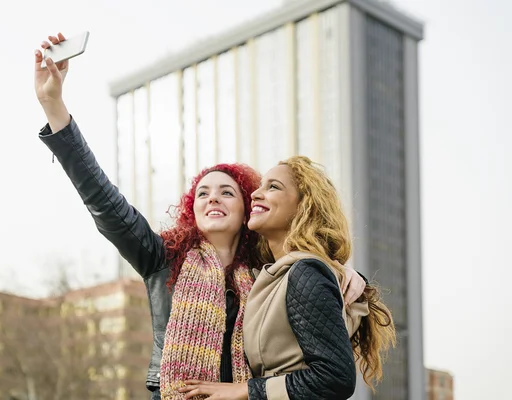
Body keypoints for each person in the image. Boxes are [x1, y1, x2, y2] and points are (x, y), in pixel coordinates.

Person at [33, 33, 367, 399]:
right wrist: (53, 105)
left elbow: (309, 292)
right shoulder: (163, 259)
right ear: (192, 210)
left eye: (227, 192)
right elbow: (100, 196)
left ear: (246, 209)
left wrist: (343, 271)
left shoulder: (265, 272)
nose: (213, 199)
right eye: (203, 193)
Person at [180, 156, 397, 400]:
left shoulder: (304, 273)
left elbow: (336, 377)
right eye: (260, 186)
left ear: (304, 206)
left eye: (273, 187)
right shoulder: (273, 275)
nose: (255, 194)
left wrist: (244, 389)